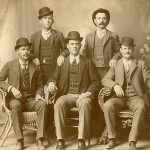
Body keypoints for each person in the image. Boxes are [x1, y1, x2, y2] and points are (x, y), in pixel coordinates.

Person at [47, 31, 100, 150]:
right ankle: (60, 139)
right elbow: (54, 77)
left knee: (86, 103)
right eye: (72, 44)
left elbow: (96, 81)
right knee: (59, 103)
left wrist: (88, 93)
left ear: (80, 46)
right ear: (67, 46)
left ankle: (81, 139)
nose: (75, 46)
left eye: (77, 44)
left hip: (83, 95)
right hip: (67, 95)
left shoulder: (88, 62)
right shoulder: (62, 62)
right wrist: (51, 82)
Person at [102, 36, 150, 150]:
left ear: (133, 49)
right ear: (120, 50)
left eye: (129, 48)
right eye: (124, 48)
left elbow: (147, 79)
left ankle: (132, 140)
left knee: (141, 106)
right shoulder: (116, 64)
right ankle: (112, 138)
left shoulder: (140, 64)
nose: (126, 51)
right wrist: (115, 85)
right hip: (120, 97)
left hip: (135, 97)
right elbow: (105, 79)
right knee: (108, 105)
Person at [0, 37, 48, 150]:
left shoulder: (35, 66)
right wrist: (11, 88)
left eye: (28, 49)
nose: (26, 52)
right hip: (15, 99)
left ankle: (39, 139)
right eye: (23, 49)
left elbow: (40, 85)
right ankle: (20, 140)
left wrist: (38, 94)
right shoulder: (9, 65)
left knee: (42, 104)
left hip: (30, 99)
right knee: (15, 105)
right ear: (17, 51)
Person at [30, 6, 68, 84]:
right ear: (40, 21)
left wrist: (62, 55)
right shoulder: (34, 36)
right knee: (39, 91)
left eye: (50, 18)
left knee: (53, 91)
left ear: (52, 21)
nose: (47, 20)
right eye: (45, 18)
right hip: (39, 69)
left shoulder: (59, 35)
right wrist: (33, 58)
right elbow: (29, 52)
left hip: (54, 70)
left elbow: (66, 49)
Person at [82, 8, 121, 80]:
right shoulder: (89, 37)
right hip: (91, 69)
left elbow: (120, 52)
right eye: (99, 18)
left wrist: (114, 58)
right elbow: (85, 53)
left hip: (108, 70)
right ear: (95, 21)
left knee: (106, 89)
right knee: (93, 88)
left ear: (107, 20)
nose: (101, 21)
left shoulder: (113, 36)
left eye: (104, 18)